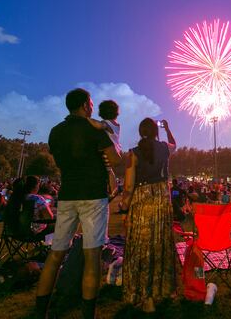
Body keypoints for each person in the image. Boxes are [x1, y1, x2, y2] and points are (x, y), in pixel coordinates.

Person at [35, 88, 121, 319]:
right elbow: (115, 159)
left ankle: (39, 311)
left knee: (56, 254)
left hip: (67, 195)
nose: (93, 106)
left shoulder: (55, 131)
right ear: (85, 105)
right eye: (91, 102)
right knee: (92, 255)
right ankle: (87, 313)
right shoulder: (93, 130)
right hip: (93, 195)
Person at [121, 118, 176, 313]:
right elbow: (174, 144)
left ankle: (146, 297)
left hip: (142, 199)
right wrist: (168, 129)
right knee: (159, 244)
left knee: (142, 247)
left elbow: (128, 186)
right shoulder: (164, 148)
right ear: (155, 131)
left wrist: (124, 204)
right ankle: (162, 290)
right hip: (161, 198)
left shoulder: (133, 154)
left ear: (140, 132)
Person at [98, 99, 121, 200]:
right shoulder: (116, 124)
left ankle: (113, 190)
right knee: (110, 170)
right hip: (116, 149)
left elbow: (99, 126)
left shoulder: (105, 123)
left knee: (108, 170)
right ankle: (114, 189)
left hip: (108, 150)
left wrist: (88, 120)